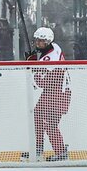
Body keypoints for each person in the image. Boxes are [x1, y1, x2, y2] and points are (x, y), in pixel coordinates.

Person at [25, 27, 70, 162]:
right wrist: (36, 64)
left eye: (42, 41)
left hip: (59, 93)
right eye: (37, 40)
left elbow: (42, 82)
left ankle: (61, 152)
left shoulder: (50, 58)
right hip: (52, 91)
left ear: (48, 41)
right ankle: (37, 149)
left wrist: (31, 66)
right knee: (37, 116)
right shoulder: (55, 47)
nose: (38, 43)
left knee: (50, 124)